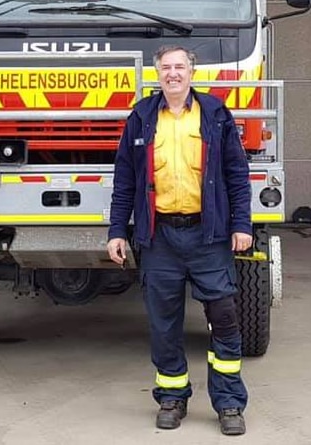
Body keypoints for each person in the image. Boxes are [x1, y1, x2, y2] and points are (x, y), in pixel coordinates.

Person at [106, 45, 253, 436]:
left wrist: (242, 225)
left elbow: (237, 174)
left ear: (192, 72)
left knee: (223, 319)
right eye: (166, 67)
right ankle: (172, 397)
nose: (173, 73)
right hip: (160, 238)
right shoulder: (141, 117)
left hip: (209, 235)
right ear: (158, 74)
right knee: (163, 324)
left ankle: (229, 404)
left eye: (180, 67)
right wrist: (118, 230)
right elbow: (126, 180)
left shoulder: (215, 114)